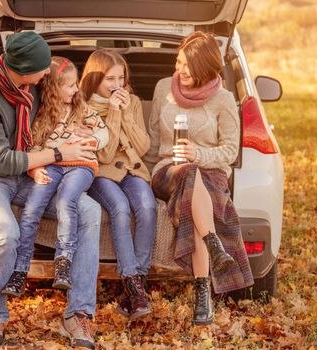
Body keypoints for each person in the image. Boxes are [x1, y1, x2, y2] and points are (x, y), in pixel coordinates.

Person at [0, 32, 100, 349]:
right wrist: (59, 154)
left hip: (32, 168)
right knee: (5, 232)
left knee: (90, 211)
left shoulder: (33, 84)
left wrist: (80, 137)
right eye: (41, 70)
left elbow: (61, 111)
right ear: (21, 70)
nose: (47, 74)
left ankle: (77, 314)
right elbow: (0, 160)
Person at [144, 31, 254, 325]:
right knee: (189, 175)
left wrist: (198, 155)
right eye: (178, 63)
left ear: (205, 67)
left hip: (210, 173)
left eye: (187, 66)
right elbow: (154, 142)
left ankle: (202, 293)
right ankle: (213, 247)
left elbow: (230, 150)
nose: (180, 70)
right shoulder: (163, 88)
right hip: (167, 171)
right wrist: (141, 176)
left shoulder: (224, 100)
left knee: (195, 187)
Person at [1, 56, 109, 294]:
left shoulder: (82, 109)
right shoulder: (42, 114)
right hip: (52, 164)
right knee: (32, 209)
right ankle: (19, 270)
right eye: (70, 85)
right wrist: (34, 167)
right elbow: (34, 145)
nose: (76, 89)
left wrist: (90, 140)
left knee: (66, 200)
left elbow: (104, 133)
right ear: (53, 88)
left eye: (76, 83)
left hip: (81, 165)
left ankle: (64, 262)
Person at [80, 49, 157, 320]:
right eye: (109, 79)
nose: (116, 85)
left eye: (121, 78)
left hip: (133, 171)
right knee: (121, 209)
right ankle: (133, 281)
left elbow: (144, 146)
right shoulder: (84, 106)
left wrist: (126, 114)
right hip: (101, 174)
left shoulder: (132, 101)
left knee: (147, 207)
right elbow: (105, 154)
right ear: (95, 79)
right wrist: (113, 114)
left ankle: (135, 287)